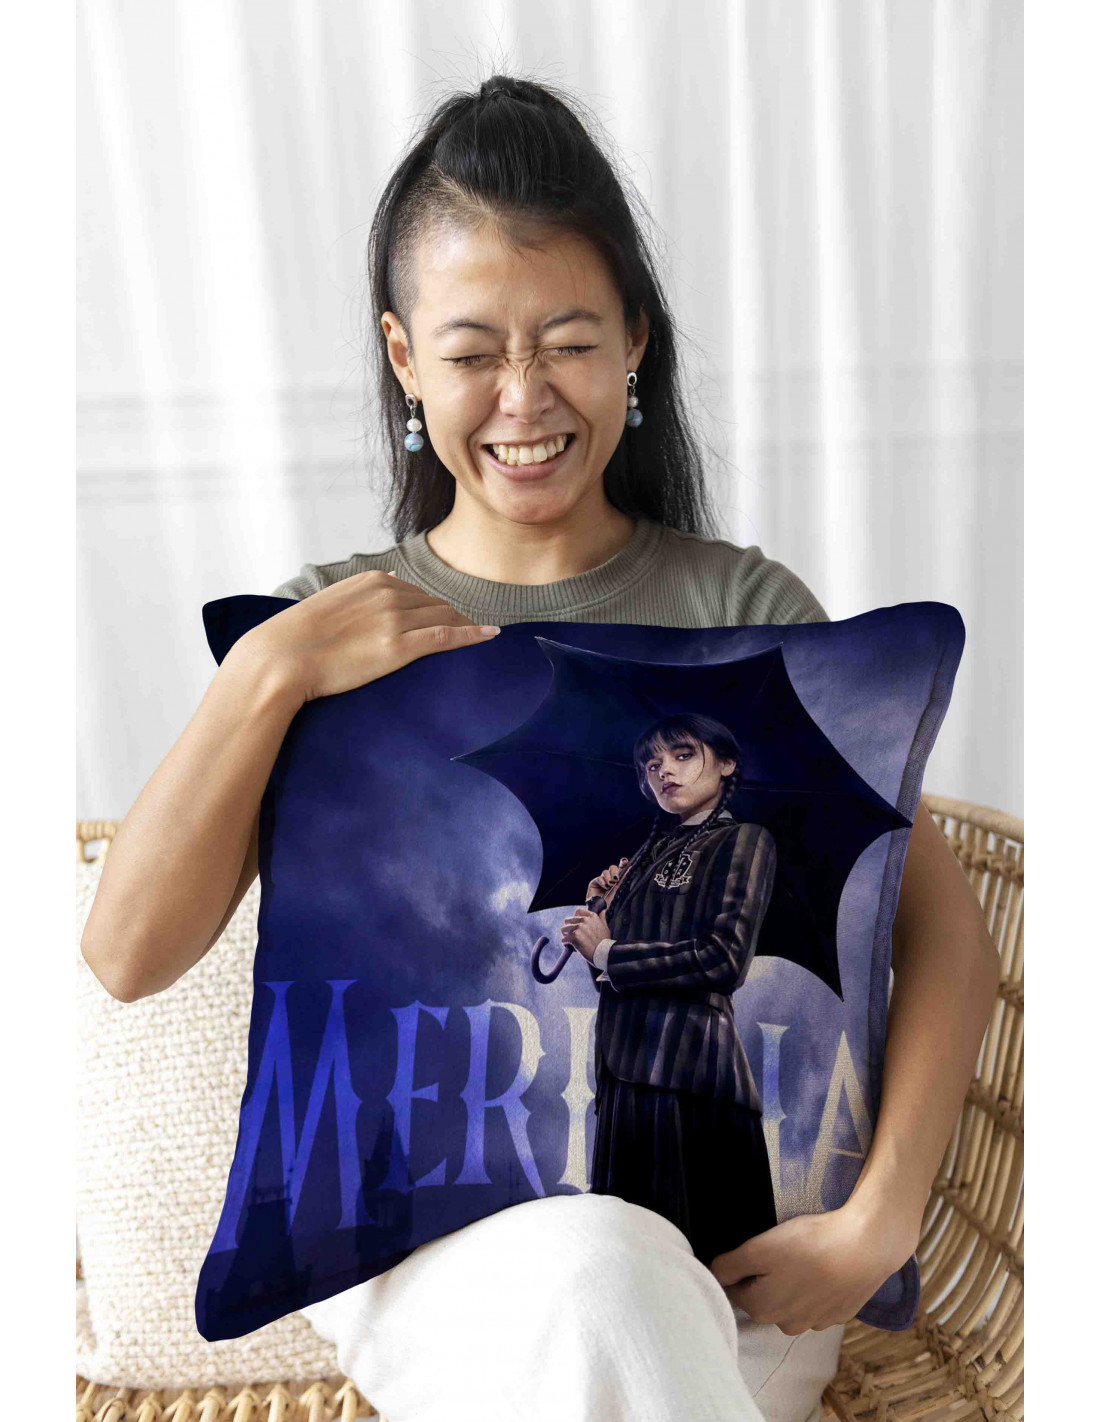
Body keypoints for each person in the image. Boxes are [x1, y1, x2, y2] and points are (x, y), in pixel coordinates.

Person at [81, 72, 1002, 1422]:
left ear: (635, 341)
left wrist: (879, 1220)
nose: (522, 398)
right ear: (403, 359)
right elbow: (127, 953)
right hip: (424, 1267)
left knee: (613, 1282)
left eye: (568, 341)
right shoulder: (326, 627)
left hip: (727, 1256)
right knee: (589, 1277)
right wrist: (267, 669)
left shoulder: (742, 615)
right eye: (470, 354)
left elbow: (946, 937)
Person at [565, 713, 782, 1269]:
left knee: (698, 1255)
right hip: (623, 1072)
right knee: (630, 1254)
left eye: (682, 755)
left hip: (688, 1076)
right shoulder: (644, 855)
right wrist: (602, 913)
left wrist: (609, 951)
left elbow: (723, 958)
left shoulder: (742, 841)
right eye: (652, 764)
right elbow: (611, 979)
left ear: (726, 762)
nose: (664, 771)